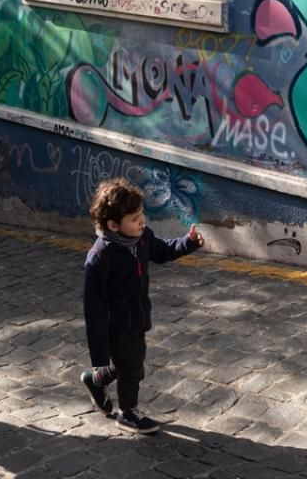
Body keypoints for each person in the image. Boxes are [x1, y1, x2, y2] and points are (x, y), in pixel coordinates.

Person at [81, 178, 204, 434]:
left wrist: (188, 242)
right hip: (116, 327)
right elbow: (94, 311)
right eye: (134, 219)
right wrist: (99, 356)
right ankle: (128, 412)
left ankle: (96, 380)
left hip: (137, 317)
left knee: (130, 361)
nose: (142, 222)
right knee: (132, 367)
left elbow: (163, 250)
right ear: (113, 225)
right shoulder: (100, 258)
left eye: (141, 215)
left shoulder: (141, 238)